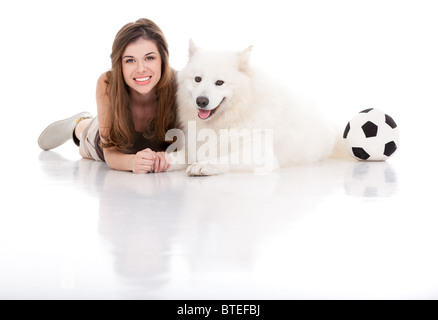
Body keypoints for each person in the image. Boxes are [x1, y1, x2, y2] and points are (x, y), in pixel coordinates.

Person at [38, 18, 179, 174]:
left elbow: (194, 146)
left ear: (163, 60)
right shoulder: (108, 83)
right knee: (88, 138)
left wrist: (169, 157)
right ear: (119, 65)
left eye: (149, 58)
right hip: (108, 141)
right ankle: (78, 125)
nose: (141, 69)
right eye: (130, 60)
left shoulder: (180, 84)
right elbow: (110, 154)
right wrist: (132, 162)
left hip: (154, 147)